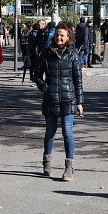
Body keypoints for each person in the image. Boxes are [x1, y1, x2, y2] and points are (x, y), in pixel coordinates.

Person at [34, 21, 83, 181]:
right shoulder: (46, 53)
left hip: (69, 100)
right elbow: (36, 75)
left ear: (68, 37)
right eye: (57, 35)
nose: (59, 38)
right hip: (51, 99)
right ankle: (46, 162)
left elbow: (78, 80)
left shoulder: (73, 54)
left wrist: (80, 102)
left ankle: (69, 167)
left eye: (62, 35)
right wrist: (44, 87)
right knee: (50, 133)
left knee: (67, 133)